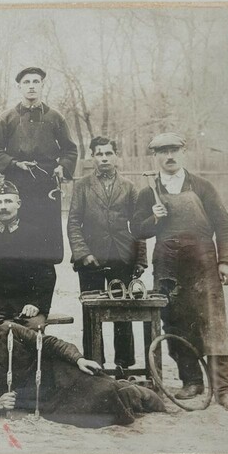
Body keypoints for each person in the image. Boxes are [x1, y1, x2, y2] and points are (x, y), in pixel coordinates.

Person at [132, 132, 228, 412]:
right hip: (167, 263)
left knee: (214, 320)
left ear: (183, 153)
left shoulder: (202, 185)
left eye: (174, 150)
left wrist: (225, 261)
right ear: (155, 156)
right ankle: (192, 381)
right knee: (176, 321)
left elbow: (223, 224)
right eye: (163, 151)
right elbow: (137, 230)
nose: (169, 156)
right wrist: (154, 218)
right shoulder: (148, 191)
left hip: (203, 261)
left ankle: (225, 389)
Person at [0, 302, 165, 428]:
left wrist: (78, 359)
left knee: (104, 389)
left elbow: (48, 343)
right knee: (86, 414)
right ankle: (127, 391)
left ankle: (138, 393)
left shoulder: (9, 329)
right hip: (30, 395)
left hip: (54, 373)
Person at [67, 136, 147, 369]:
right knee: (91, 313)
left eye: (108, 153)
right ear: (92, 157)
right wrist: (84, 253)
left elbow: (139, 225)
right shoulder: (82, 185)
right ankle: (94, 363)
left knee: (124, 312)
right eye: (99, 154)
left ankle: (124, 364)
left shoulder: (130, 187)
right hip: (90, 259)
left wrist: (140, 259)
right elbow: (73, 222)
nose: (104, 158)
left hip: (122, 256)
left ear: (116, 156)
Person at [0, 66, 78, 265]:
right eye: (27, 82)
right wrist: (14, 164)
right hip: (16, 185)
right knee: (17, 234)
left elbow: (70, 149)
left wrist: (62, 166)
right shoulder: (7, 118)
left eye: (36, 82)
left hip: (46, 184)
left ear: (42, 86)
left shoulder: (55, 117)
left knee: (46, 237)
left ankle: (44, 279)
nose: (31, 86)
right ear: (19, 87)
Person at [0, 180, 56, 329]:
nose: (3, 207)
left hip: (27, 305)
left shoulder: (35, 235)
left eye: (8, 201)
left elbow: (46, 274)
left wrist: (36, 304)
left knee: (32, 333)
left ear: (18, 203)